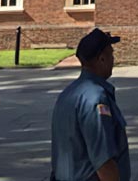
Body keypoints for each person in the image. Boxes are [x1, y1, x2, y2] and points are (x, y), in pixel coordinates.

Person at [51, 28, 129, 181]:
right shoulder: (96, 99)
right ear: (102, 59)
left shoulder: (68, 94)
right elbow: (103, 160)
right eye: (111, 54)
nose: (113, 59)